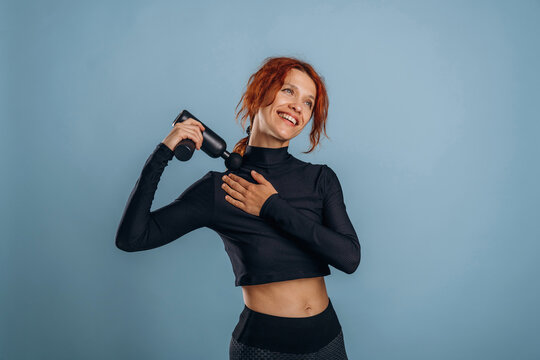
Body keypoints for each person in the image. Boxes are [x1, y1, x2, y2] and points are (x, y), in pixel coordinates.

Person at [115, 56, 361, 359]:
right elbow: (132, 238)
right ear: (260, 94)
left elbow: (349, 258)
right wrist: (162, 154)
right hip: (262, 349)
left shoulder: (320, 179)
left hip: (328, 341)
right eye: (288, 91)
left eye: (308, 102)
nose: (298, 105)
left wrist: (272, 206)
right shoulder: (222, 189)